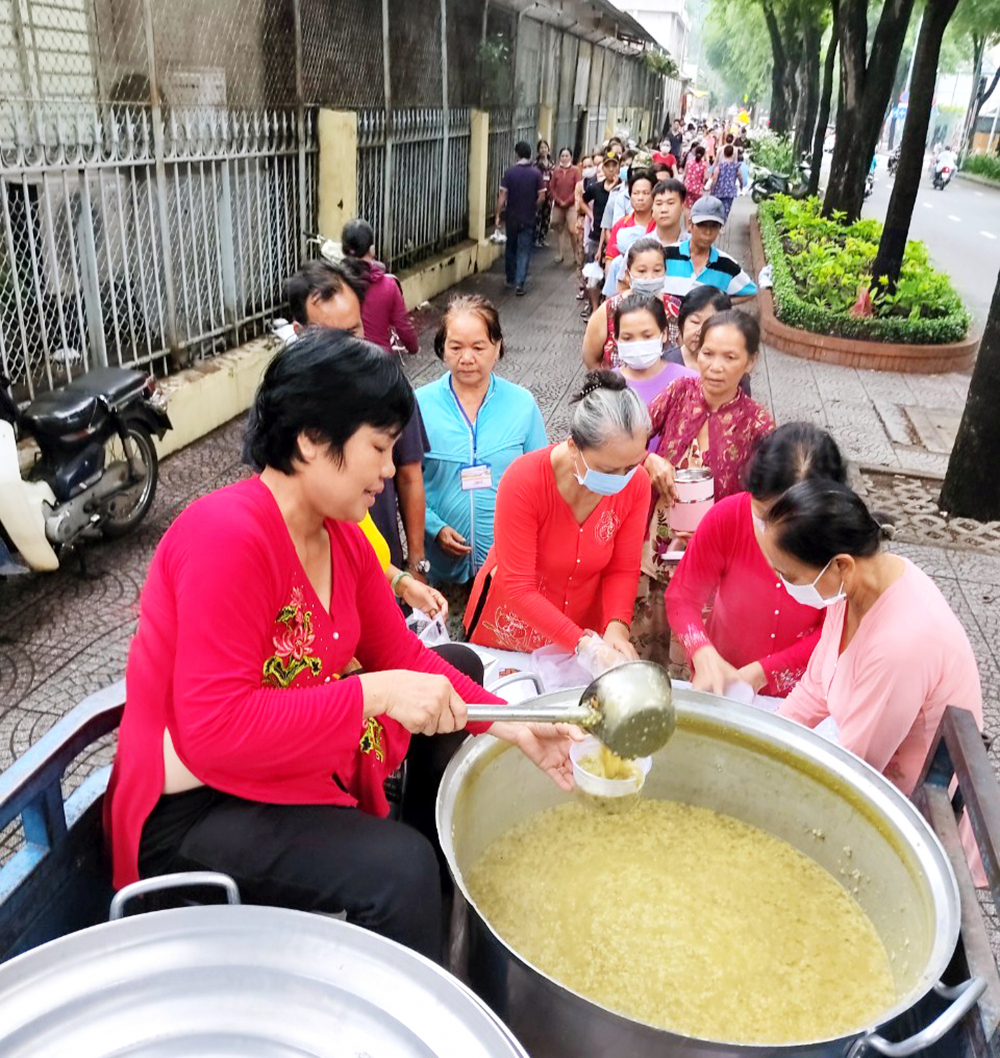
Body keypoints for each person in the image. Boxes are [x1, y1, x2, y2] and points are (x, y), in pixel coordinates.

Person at [105, 329, 579, 964]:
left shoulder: (343, 538)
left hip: (264, 761)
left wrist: (518, 725)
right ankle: (405, 954)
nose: (390, 470)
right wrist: (373, 693)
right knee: (398, 870)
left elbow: (403, 655)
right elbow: (212, 731)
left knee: (450, 668)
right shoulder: (226, 538)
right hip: (193, 802)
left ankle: (417, 877)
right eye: (378, 449)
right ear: (311, 442)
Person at [762, 479, 983, 797]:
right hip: (869, 773)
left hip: (922, 811)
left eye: (789, 575)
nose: (784, 585)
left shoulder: (900, 644)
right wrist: (768, 738)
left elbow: (854, 767)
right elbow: (816, 688)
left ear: (840, 565)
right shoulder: (854, 587)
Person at [464, 372, 651, 659]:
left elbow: (622, 568)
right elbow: (518, 586)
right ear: (574, 446)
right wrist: (585, 646)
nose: (622, 478)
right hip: (511, 631)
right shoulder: (524, 481)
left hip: (581, 629)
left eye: (631, 465)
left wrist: (616, 626)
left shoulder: (635, 485)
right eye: (609, 469)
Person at [665, 423, 848, 697]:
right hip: (721, 685)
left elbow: (836, 629)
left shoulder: (841, 546)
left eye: (787, 523)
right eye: (763, 514)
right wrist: (702, 651)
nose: (771, 535)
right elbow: (682, 596)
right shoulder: (728, 517)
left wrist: (764, 672)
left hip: (801, 697)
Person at [633, 310, 774, 662]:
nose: (715, 366)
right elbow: (628, 436)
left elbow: (767, 496)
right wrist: (649, 459)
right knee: (641, 647)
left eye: (730, 357)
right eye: (707, 354)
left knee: (690, 658)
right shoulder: (680, 391)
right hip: (655, 545)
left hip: (711, 559)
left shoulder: (757, 422)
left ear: (750, 361)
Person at [283, 261, 430, 581]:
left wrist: (416, 564)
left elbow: (408, 476)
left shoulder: (391, 389)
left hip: (384, 574)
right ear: (300, 332)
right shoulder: (284, 401)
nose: (346, 349)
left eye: (353, 332)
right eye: (330, 337)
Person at [416, 295, 547, 586]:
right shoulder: (420, 405)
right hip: (440, 569)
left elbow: (542, 481)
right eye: (456, 347)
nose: (467, 358)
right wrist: (434, 527)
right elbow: (405, 481)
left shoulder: (522, 404)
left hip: (506, 568)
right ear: (442, 349)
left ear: (497, 346)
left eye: (478, 347)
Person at [612, 293, 697, 427]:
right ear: (616, 339)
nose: (638, 344)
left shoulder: (691, 382)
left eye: (647, 336)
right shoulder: (605, 385)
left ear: (664, 335)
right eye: (627, 338)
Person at [582, 237, 667, 370]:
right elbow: (590, 359)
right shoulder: (608, 311)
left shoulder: (675, 310)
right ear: (628, 275)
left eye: (657, 271)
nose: (649, 278)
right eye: (642, 271)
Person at [341, 218, 418, 355]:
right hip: (379, 361)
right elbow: (402, 325)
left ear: (344, 249)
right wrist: (413, 348)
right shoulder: (388, 285)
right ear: (372, 249)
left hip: (344, 360)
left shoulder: (335, 283)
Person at [602, 177, 687, 300]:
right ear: (653, 208)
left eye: (670, 203)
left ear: (682, 206)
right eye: (658, 203)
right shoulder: (639, 247)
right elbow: (620, 287)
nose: (664, 209)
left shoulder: (691, 247)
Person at [663, 196, 757, 305]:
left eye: (714, 226)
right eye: (702, 225)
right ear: (690, 224)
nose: (708, 232)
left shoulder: (726, 265)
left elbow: (751, 292)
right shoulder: (668, 255)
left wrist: (720, 305)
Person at [495, 140, 546, 296]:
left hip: (512, 216)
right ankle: (520, 283)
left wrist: (498, 215)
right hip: (528, 217)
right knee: (524, 249)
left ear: (517, 154)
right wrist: (533, 207)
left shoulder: (510, 172)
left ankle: (510, 278)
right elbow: (542, 196)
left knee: (511, 247)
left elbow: (502, 196)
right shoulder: (536, 173)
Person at [602, 169, 656, 300]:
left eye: (645, 193)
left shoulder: (659, 225)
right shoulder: (621, 226)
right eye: (636, 193)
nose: (640, 198)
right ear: (629, 196)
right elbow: (610, 261)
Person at [582, 152, 621, 318]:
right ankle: (595, 310)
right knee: (593, 279)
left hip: (615, 239)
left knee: (611, 277)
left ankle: (608, 310)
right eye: (607, 166)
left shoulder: (623, 189)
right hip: (595, 236)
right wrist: (589, 215)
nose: (611, 170)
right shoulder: (595, 188)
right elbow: (582, 200)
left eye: (614, 166)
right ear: (602, 168)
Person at [665, 285, 732, 371]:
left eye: (709, 323)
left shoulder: (732, 367)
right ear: (682, 323)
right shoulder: (664, 365)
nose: (700, 332)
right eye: (695, 322)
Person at [548, 147, 581, 267]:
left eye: (567, 156)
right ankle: (560, 254)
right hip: (558, 204)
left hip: (571, 204)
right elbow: (551, 187)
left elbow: (578, 187)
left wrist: (567, 201)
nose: (564, 158)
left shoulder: (576, 170)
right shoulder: (556, 171)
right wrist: (557, 200)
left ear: (571, 157)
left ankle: (576, 255)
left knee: (573, 230)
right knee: (559, 228)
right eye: (562, 156)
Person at [706, 144, 743, 219]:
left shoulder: (719, 166)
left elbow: (715, 178)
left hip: (718, 190)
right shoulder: (736, 166)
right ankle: (722, 225)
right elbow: (740, 177)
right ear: (732, 154)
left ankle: (717, 223)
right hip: (730, 191)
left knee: (717, 209)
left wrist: (712, 188)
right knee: (726, 209)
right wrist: (741, 185)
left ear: (724, 153)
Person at [534, 139, 554, 248]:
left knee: (546, 217)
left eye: (545, 147)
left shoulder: (552, 164)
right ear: (538, 150)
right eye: (541, 148)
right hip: (538, 193)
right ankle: (536, 238)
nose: (543, 150)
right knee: (537, 216)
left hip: (549, 194)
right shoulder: (535, 164)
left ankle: (543, 238)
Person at [682, 146, 709, 211]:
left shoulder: (689, 162)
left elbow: (684, 174)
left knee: (687, 207)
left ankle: (687, 221)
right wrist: (704, 184)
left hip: (688, 186)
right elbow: (706, 177)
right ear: (703, 154)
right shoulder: (704, 164)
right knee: (697, 207)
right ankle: (695, 220)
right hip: (698, 188)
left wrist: (685, 181)